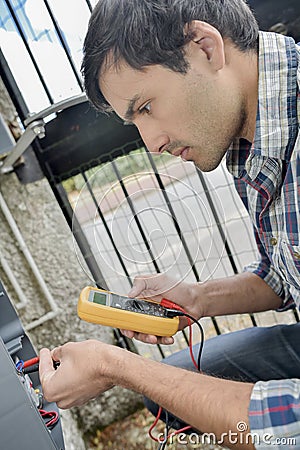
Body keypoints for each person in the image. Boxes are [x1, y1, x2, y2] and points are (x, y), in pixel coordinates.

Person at [39, 0, 300, 447]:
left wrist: (116, 366)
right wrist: (195, 299)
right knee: (173, 388)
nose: (152, 142)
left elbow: (291, 424)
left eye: (146, 107)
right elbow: (284, 274)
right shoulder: (250, 134)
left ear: (204, 47)